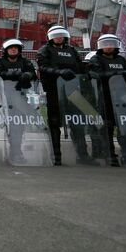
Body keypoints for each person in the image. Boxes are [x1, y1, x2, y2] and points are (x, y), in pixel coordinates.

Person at [37, 25, 96, 166]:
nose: (59, 38)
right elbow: (43, 67)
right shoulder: (45, 50)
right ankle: (56, 155)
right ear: (50, 37)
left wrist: (87, 72)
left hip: (73, 90)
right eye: (56, 35)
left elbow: (80, 66)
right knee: (55, 123)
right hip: (54, 91)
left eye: (61, 35)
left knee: (77, 123)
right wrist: (59, 72)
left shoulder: (71, 50)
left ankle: (82, 155)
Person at [88, 34, 126, 167]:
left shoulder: (121, 59)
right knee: (107, 128)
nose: (108, 47)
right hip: (106, 97)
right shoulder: (96, 59)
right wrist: (118, 74)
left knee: (125, 126)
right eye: (105, 44)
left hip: (123, 97)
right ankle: (110, 155)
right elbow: (97, 75)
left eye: (111, 44)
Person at [0, 38, 37, 163]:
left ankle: (16, 151)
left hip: (21, 97)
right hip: (6, 99)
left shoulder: (25, 61)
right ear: (5, 50)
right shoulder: (0, 61)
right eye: (11, 48)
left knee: (19, 126)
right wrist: (16, 76)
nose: (13, 49)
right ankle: (14, 151)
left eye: (16, 48)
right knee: (11, 126)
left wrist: (27, 75)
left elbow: (32, 73)